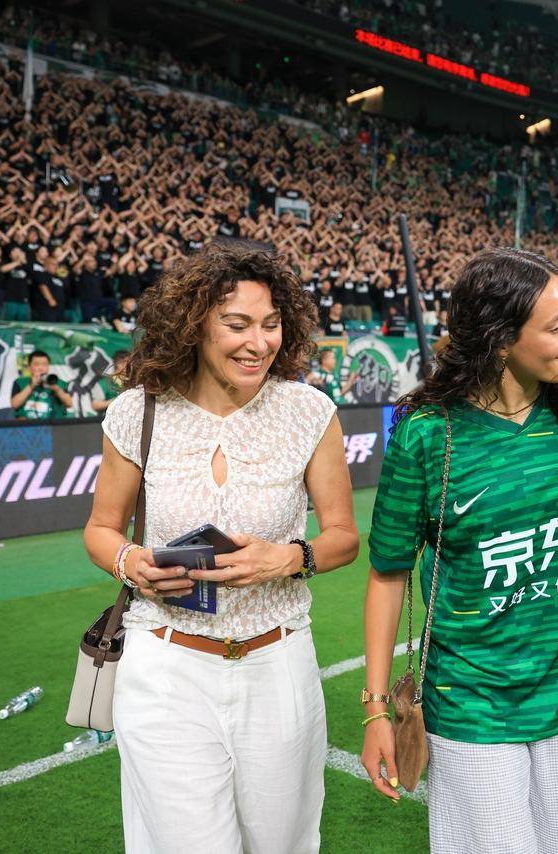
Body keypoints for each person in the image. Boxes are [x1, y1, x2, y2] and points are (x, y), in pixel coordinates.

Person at [82, 241, 359, 853]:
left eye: (271, 324)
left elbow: (343, 538)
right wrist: (131, 563)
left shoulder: (309, 411)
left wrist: (288, 558)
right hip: (165, 667)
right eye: (237, 325)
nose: (258, 343)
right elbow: (101, 529)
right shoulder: (137, 412)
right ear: (194, 326)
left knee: (282, 843)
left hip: (278, 665)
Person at [360, 248, 558, 854]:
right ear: (502, 339)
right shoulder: (429, 433)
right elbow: (388, 573)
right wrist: (376, 709)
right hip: (472, 704)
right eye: (556, 326)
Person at [10, 350, 73, 420]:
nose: (41, 368)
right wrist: (31, 385)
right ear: (29, 367)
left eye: (45, 365)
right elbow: (14, 404)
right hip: (26, 425)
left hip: (53, 425)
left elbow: (69, 404)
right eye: (37, 365)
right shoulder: (20, 382)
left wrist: (56, 388)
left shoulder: (60, 383)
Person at [91, 349, 130, 414]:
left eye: (129, 363)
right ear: (117, 364)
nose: (127, 366)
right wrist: (115, 401)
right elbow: (94, 405)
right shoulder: (103, 383)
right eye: (123, 362)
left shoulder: (135, 382)